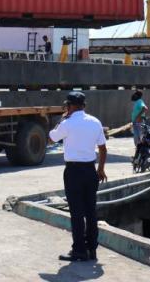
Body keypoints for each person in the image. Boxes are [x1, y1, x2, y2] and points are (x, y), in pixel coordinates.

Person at [49, 92, 108, 262]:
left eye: (67, 105)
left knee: (76, 213)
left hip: (73, 171)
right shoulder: (95, 122)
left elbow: (52, 139)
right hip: (91, 170)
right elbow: (103, 149)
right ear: (83, 105)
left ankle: (79, 251)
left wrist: (62, 119)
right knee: (91, 211)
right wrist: (101, 169)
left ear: (72, 106)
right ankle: (92, 249)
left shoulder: (67, 123)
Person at [131, 91, 148, 162]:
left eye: (135, 94)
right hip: (136, 123)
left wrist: (139, 117)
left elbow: (145, 108)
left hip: (139, 122)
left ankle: (142, 155)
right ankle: (138, 155)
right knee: (137, 140)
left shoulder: (140, 101)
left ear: (137, 95)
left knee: (139, 138)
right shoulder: (137, 102)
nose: (133, 95)